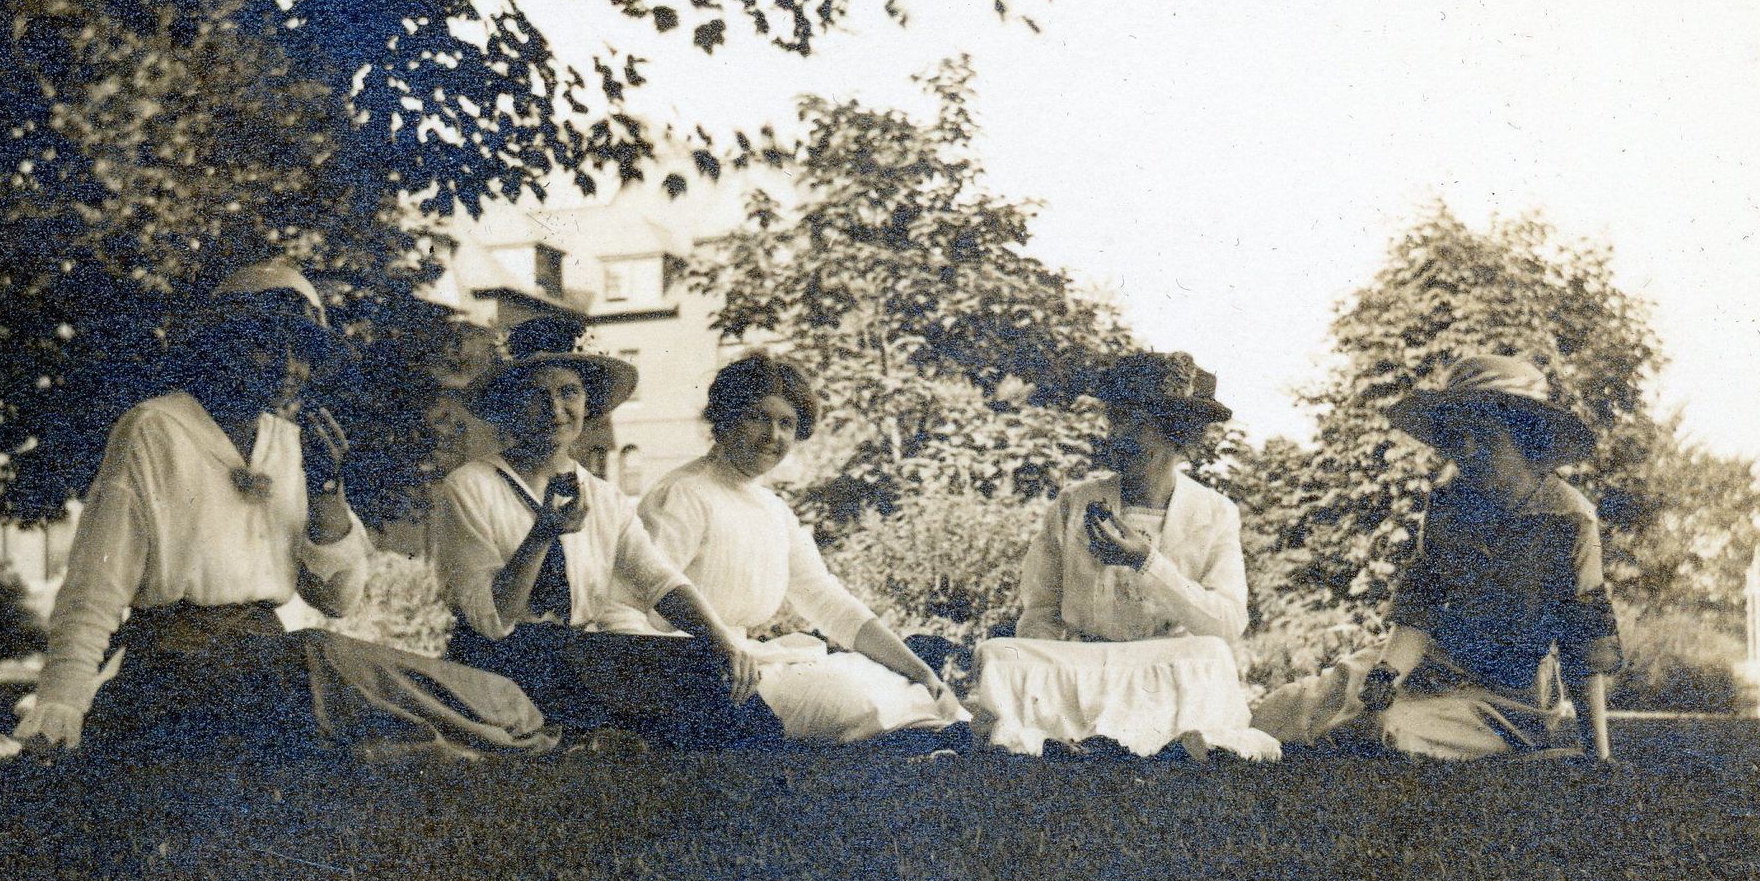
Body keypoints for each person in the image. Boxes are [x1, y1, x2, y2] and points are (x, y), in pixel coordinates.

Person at [4, 261, 556, 760]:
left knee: (337, 669)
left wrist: (326, 490)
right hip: (177, 670)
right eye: (269, 346)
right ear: (222, 344)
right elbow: (93, 589)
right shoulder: (155, 429)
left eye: (303, 352)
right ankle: (499, 721)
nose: (291, 367)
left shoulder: (291, 444)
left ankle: (498, 718)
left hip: (270, 664)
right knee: (325, 662)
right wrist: (60, 707)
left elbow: (336, 599)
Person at [428, 316, 780, 750]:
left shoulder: (602, 497)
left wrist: (722, 641)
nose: (556, 410)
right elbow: (491, 619)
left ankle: (759, 777)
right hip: (498, 662)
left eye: (569, 392)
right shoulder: (469, 487)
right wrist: (540, 536)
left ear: (587, 401)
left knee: (709, 670)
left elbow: (657, 579)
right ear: (510, 404)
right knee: (676, 698)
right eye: (537, 395)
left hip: (573, 659)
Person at [1249, 353, 1622, 761]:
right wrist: (1383, 681)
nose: (1466, 450)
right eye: (1457, 436)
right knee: (1279, 712)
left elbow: (1585, 642)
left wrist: (1598, 756)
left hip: (1505, 696)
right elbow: (1419, 610)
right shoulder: (1449, 500)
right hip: (1429, 663)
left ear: (1525, 438)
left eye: (1484, 436)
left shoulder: (1570, 518)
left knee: (1389, 733)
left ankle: (1506, 744)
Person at [631, 354, 971, 748]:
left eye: (786, 424)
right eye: (757, 417)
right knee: (856, 697)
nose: (772, 435)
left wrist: (920, 671)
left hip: (748, 664)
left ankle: (959, 746)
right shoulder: (683, 494)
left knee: (897, 683)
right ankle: (944, 745)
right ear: (724, 419)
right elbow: (640, 602)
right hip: (695, 675)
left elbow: (826, 600)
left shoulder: (772, 509)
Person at [969, 352, 1280, 761]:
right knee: (998, 654)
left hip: (1164, 667)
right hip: (1084, 666)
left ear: (1177, 434)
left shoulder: (1214, 512)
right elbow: (1040, 613)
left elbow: (1227, 623)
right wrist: (1048, 682)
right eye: (1116, 419)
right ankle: (1066, 737)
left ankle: (1144, 743)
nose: (1120, 436)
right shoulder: (1074, 503)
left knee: (1211, 654)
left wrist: (1147, 563)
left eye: (1139, 423)